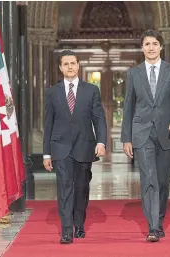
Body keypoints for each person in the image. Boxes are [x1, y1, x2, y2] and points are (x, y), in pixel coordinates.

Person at [121, 29, 170, 242]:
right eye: (147, 44)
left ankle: (158, 219)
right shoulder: (134, 73)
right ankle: (153, 227)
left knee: (162, 180)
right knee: (148, 178)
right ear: (142, 48)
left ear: (161, 47)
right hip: (142, 134)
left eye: (154, 44)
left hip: (167, 133)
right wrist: (126, 138)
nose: (151, 47)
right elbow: (128, 106)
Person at [43, 50, 107, 244]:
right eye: (66, 64)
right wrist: (47, 153)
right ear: (60, 68)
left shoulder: (91, 90)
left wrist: (101, 142)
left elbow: (99, 119)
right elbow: (48, 124)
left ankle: (79, 223)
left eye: (73, 63)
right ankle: (66, 230)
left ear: (78, 66)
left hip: (84, 146)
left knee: (81, 188)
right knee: (64, 188)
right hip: (60, 147)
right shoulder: (52, 92)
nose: (70, 67)